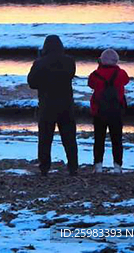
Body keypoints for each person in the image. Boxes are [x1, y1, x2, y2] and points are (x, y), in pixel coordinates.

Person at [27, 34, 78, 175]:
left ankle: (44, 167)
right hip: (66, 104)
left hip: (47, 104)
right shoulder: (69, 61)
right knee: (69, 138)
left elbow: (32, 82)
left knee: (45, 138)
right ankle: (73, 167)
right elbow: (70, 74)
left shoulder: (40, 63)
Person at [87, 48, 130, 174]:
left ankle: (98, 165)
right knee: (117, 140)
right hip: (116, 111)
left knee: (99, 139)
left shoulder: (95, 74)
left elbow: (91, 84)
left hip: (99, 111)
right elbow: (126, 81)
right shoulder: (121, 73)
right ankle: (117, 166)